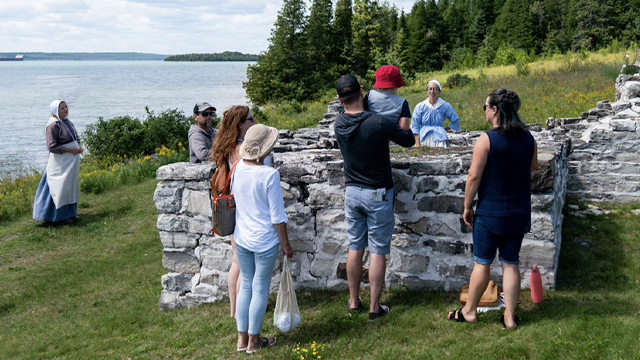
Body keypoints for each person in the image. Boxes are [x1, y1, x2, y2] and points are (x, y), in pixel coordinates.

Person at [447, 88, 538, 330]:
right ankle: (509, 317)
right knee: (510, 263)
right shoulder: (529, 138)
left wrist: (467, 207)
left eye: (485, 107)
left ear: (495, 110)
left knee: (482, 263)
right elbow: (534, 165)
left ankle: (469, 311)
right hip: (518, 210)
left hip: (490, 212)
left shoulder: (486, 139)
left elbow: (474, 177)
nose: (484, 111)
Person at [334, 75, 415, 320]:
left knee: (355, 247)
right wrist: (401, 117)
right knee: (378, 250)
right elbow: (409, 140)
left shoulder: (338, 123)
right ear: (362, 91)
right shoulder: (379, 122)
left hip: (352, 192)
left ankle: (353, 301)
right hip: (377, 193)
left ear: (339, 99)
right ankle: (374, 307)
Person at [232, 124, 293, 353]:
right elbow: (277, 216)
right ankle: (254, 341)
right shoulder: (269, 175)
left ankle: (241, 338)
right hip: (264, 240)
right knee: (259, 288)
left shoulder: (237, 168)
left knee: (246, 284)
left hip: (242, 237)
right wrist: (286, 244)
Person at [210, 105, 269, 319]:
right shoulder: (245, 150)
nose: (254, 122)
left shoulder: (226, 147)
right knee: (247, 267)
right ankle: (244, 309)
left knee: (236, 263)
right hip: (247, 209)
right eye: (251, 119)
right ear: (241, 124)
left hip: (232, 207)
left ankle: (234, 309)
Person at [33, 100, 83, 224]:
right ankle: (52, 216)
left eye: (66, 107)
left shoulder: (67, 122)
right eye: (62, 108)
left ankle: (69, 214)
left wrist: (78, 145)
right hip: (59, 163)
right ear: (56, 111)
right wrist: (70, 150)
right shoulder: (53, 125)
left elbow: (75, 137)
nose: (66, 109)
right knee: (58, 187)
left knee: (69, 187)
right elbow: (52, 147)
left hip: (70, 162)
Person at [410, 79, 461, 147]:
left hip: (439, 136)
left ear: (439, 92)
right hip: (424, 137)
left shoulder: (445, 105)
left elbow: (455, 120)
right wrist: (417, 144)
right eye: (430, 89)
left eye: (435, 89)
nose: (432, 91)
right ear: (427, 91)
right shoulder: (420, 106)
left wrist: (445, 129)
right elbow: (414, 126)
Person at [364, 65, 411, 131]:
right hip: (391, 136)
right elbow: (404, 127)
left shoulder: (370, 95)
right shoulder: (402, 102)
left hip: (370, 133)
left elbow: (362, 112)